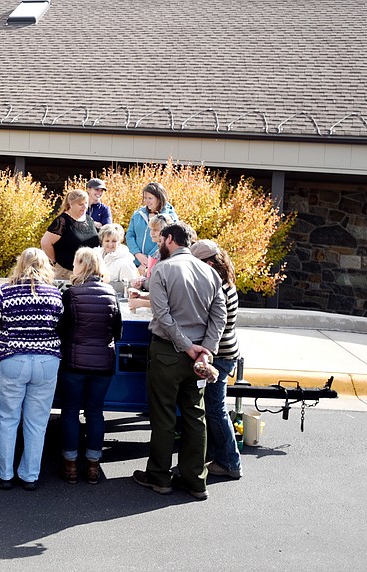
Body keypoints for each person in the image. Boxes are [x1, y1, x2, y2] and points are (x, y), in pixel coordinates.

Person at [132, 222, 226, 501]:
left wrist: (187, 347)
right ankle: (196, 480)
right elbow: (219, 316)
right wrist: (206, 350)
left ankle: (160, 477)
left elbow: (162, 315)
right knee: (195, 415)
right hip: (199, 358)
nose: (159, 243)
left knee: (163, 416)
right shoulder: (210, 272)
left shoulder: (162, 269)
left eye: (161, 238)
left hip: (168, 353)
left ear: (170, 239)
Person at [0, 247, 63, 491]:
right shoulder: (54, 294)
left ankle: (5, 475)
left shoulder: (6, 292)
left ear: (20, 265)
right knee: (37, 422)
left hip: (12, 359)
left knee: (7, 419)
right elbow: (60, 323)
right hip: (46, 361)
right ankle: (30, 476)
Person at [58, 247, 122, 485]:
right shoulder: (110, 293)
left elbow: (61, 328)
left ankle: (71, 464)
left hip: (74, 365)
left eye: (75, 263)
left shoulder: (71, 294)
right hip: (103, 365)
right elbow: (118, 330)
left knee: (71, 412)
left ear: (82, 265)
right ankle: (93, 465)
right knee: (95, 413)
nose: (73, 267)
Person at [191, 239, 244, 480]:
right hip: (227, 352)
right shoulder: (226, 283)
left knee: (215, 410)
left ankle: (230, 462)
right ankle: (212, 454)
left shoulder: (218, 288)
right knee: (213, 408)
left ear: (210, 263)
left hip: (219, 355)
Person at [41, 189, 100, 280]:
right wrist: (55, 262)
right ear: (71, 204)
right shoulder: (62, 221)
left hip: (89, 274)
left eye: (86, 203)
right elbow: (45, 243)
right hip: (66, 273)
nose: (84, 207)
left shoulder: (89, 220)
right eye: (80, 204)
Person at [125, 182, 178, 269]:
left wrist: (148, 261)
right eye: (145, 198)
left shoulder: (170, 218)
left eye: (150, 198)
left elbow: (166, 241)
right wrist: (137, 254)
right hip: (135, 262)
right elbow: (130, 235)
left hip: (158, 263)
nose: (146, 201)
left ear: (159, 198)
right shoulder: (138, 214)